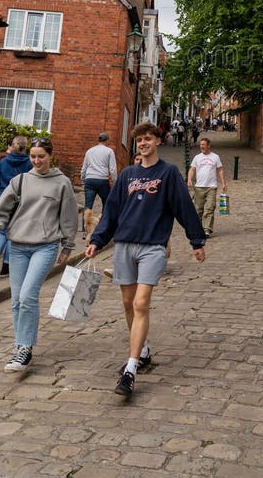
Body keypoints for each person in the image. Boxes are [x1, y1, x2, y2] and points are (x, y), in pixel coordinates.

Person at [85, 121, 206, 398]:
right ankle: (144, 350)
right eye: (139, 140)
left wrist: (196, 241)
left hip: (153, 247)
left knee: (141, 303)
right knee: (128, 303)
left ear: (158, 141)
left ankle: (131, 368)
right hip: (124, 246)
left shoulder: (168, 173)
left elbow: (183, 207)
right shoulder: (128, 175)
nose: (143, 144)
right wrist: (96, 241)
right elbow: (111, 212)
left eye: (148, 139)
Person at [0, 137, 78, 372]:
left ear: (50, 156)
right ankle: (19, 347)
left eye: (41, 156)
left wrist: (67, 246)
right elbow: (2, 207)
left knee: (28, 295)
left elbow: (68, 216)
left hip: (44, 246)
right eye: (33, 156)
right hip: (17, 246)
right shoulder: (21, 180)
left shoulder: (62, 183)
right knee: (16, 299)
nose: (36, 160)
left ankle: (25, 348)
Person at [0, 136, 33, 279]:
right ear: (25, 148)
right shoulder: (29, 163)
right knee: (13, 233)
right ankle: (6, 266)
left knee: (3, 230)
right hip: (20, 199)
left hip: (3, 197)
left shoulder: (4, 162)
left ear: (12, 146)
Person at [187, 137, 227, 239]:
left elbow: (220, 170)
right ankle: (198, 228)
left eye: (203, 145)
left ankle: (206, 229)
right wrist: (189, 179)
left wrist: (223, 183)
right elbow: (192, 169)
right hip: (199, 187)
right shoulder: (197, 158)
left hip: (211, 187)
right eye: (201, 145)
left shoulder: (215, 157)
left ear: (208, 145)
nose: (201, 146)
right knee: (198, 210)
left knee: (210, 207)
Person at [80, 132, 117, 238]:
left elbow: (84, 168)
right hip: (102, 180)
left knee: (87, 206)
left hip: (90, 179)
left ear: (98, 140)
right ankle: (102, 228)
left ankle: (85, 231)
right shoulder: (109, 151)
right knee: (106, 203)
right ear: (107, 141)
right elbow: (113, 169)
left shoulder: (89, 151)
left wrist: (83, 180)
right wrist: (115, 183)